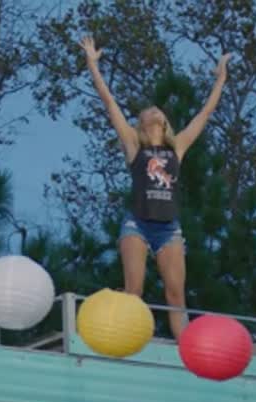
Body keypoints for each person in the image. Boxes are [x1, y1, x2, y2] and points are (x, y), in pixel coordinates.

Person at [80, 35, 230, 340]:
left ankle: (186, 349)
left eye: (158, 110)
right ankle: (122, 339)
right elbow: (109, 103)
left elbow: (204, 114)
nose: (154, 109)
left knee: (176, 295)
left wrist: (220, 79)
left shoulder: (177, 147)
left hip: (168, 228)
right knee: (134, 290)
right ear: (141, 122)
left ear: (164, 122)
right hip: (137, 224)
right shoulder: (134, 145)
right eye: (148, 110)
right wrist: (92, 64)